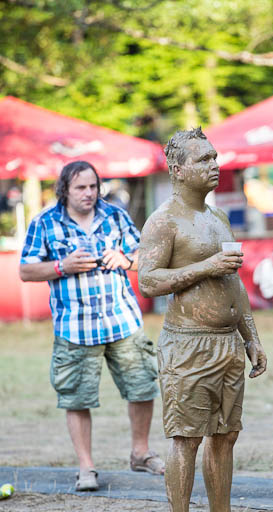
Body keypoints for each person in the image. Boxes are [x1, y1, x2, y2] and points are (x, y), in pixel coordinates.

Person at [138, 127, 269, 512]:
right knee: (186, 437)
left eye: (215, 157)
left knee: (226, 434)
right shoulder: (163, 221)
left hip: (227, 343)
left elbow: (233, 282)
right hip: (187, 344)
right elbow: (149, 281)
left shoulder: (218, 218)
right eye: (204, 160)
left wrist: (251, 335)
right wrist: (206, 266)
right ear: (177, 170)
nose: (215, 166)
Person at [20, 160, 165, 491]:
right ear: (64, 190)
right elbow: (26, 271)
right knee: (77, 398)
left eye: (93, 186)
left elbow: (151, 256)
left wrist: (127, 261)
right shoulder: (44, 222)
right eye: (81, 188)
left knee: (142, 387)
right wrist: (61, 266)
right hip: (75, 327)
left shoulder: (115, 215)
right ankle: (86, 467)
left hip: (122, 321)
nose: (89, 193)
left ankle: (140, 453)